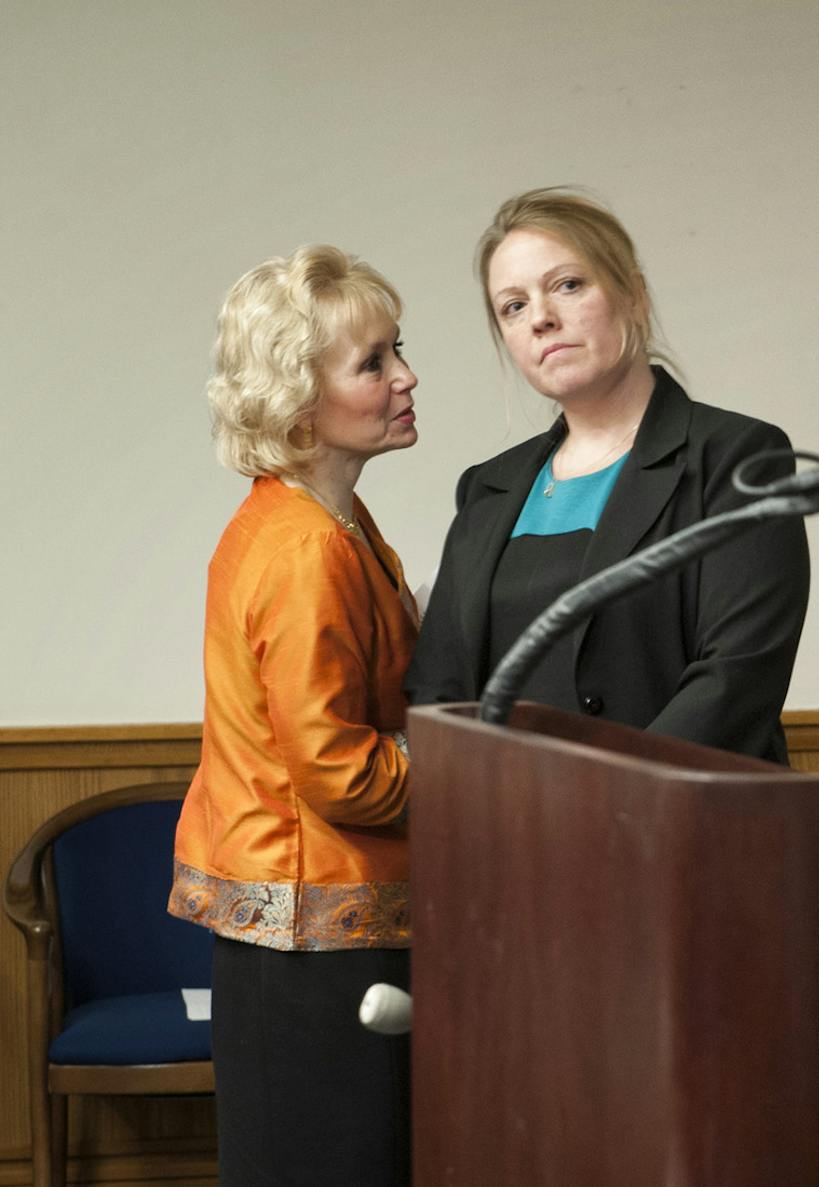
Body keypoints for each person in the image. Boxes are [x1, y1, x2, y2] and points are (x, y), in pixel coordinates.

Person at [170, 244, 421, 1186]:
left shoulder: (318, 520)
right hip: (317, 935)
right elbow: (340, 772)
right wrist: (473, 767)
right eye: (373, 362)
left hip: (308, 926)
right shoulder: (306, 544)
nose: (405, 377)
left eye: (398, 350)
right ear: (297, 397)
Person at [406, 188, 810, 760]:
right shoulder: (487, 488)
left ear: (633, 293)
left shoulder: (738, 458)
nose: (542, 318)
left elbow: (736, 681)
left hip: (686, 827)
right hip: (511, 830)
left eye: (567, 285)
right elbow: (438, 690)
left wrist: (603, 809)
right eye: (513, 306)